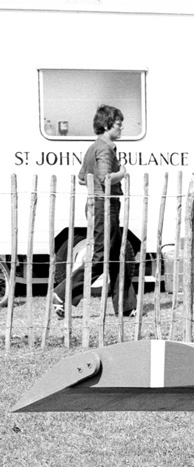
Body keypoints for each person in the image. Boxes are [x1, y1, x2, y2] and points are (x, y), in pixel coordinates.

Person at [53, 104, 136, 317]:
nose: (121, 128)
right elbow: (105, 178)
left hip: (98, 204)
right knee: (101, 258)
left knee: (118, 256)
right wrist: (122, 173)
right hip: (104, 206)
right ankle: (62, 293)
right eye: (118, 124)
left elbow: (83, 178)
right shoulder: (104, 149)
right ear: (108, 125)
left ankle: (126, 307)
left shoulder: (93, 148)